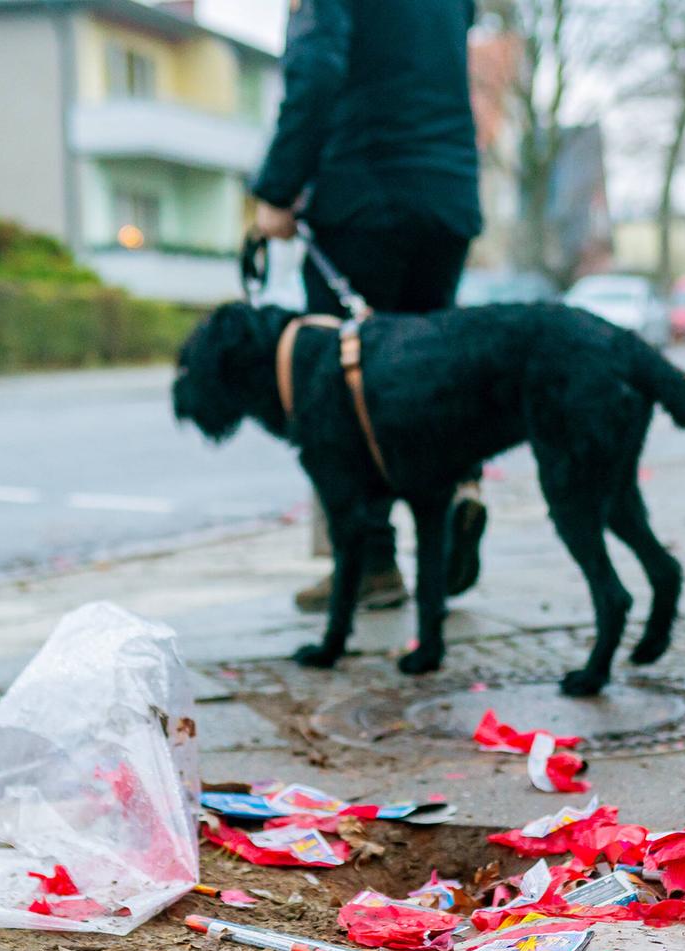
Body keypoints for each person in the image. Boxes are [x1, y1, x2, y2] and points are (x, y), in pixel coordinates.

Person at [251, 0, 488, 614]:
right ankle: (459, 485)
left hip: (364, 195)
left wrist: (276, 190)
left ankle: (370, 561)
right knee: (428, 369)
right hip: (448, 195)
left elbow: (317, 70)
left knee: (345, 388)